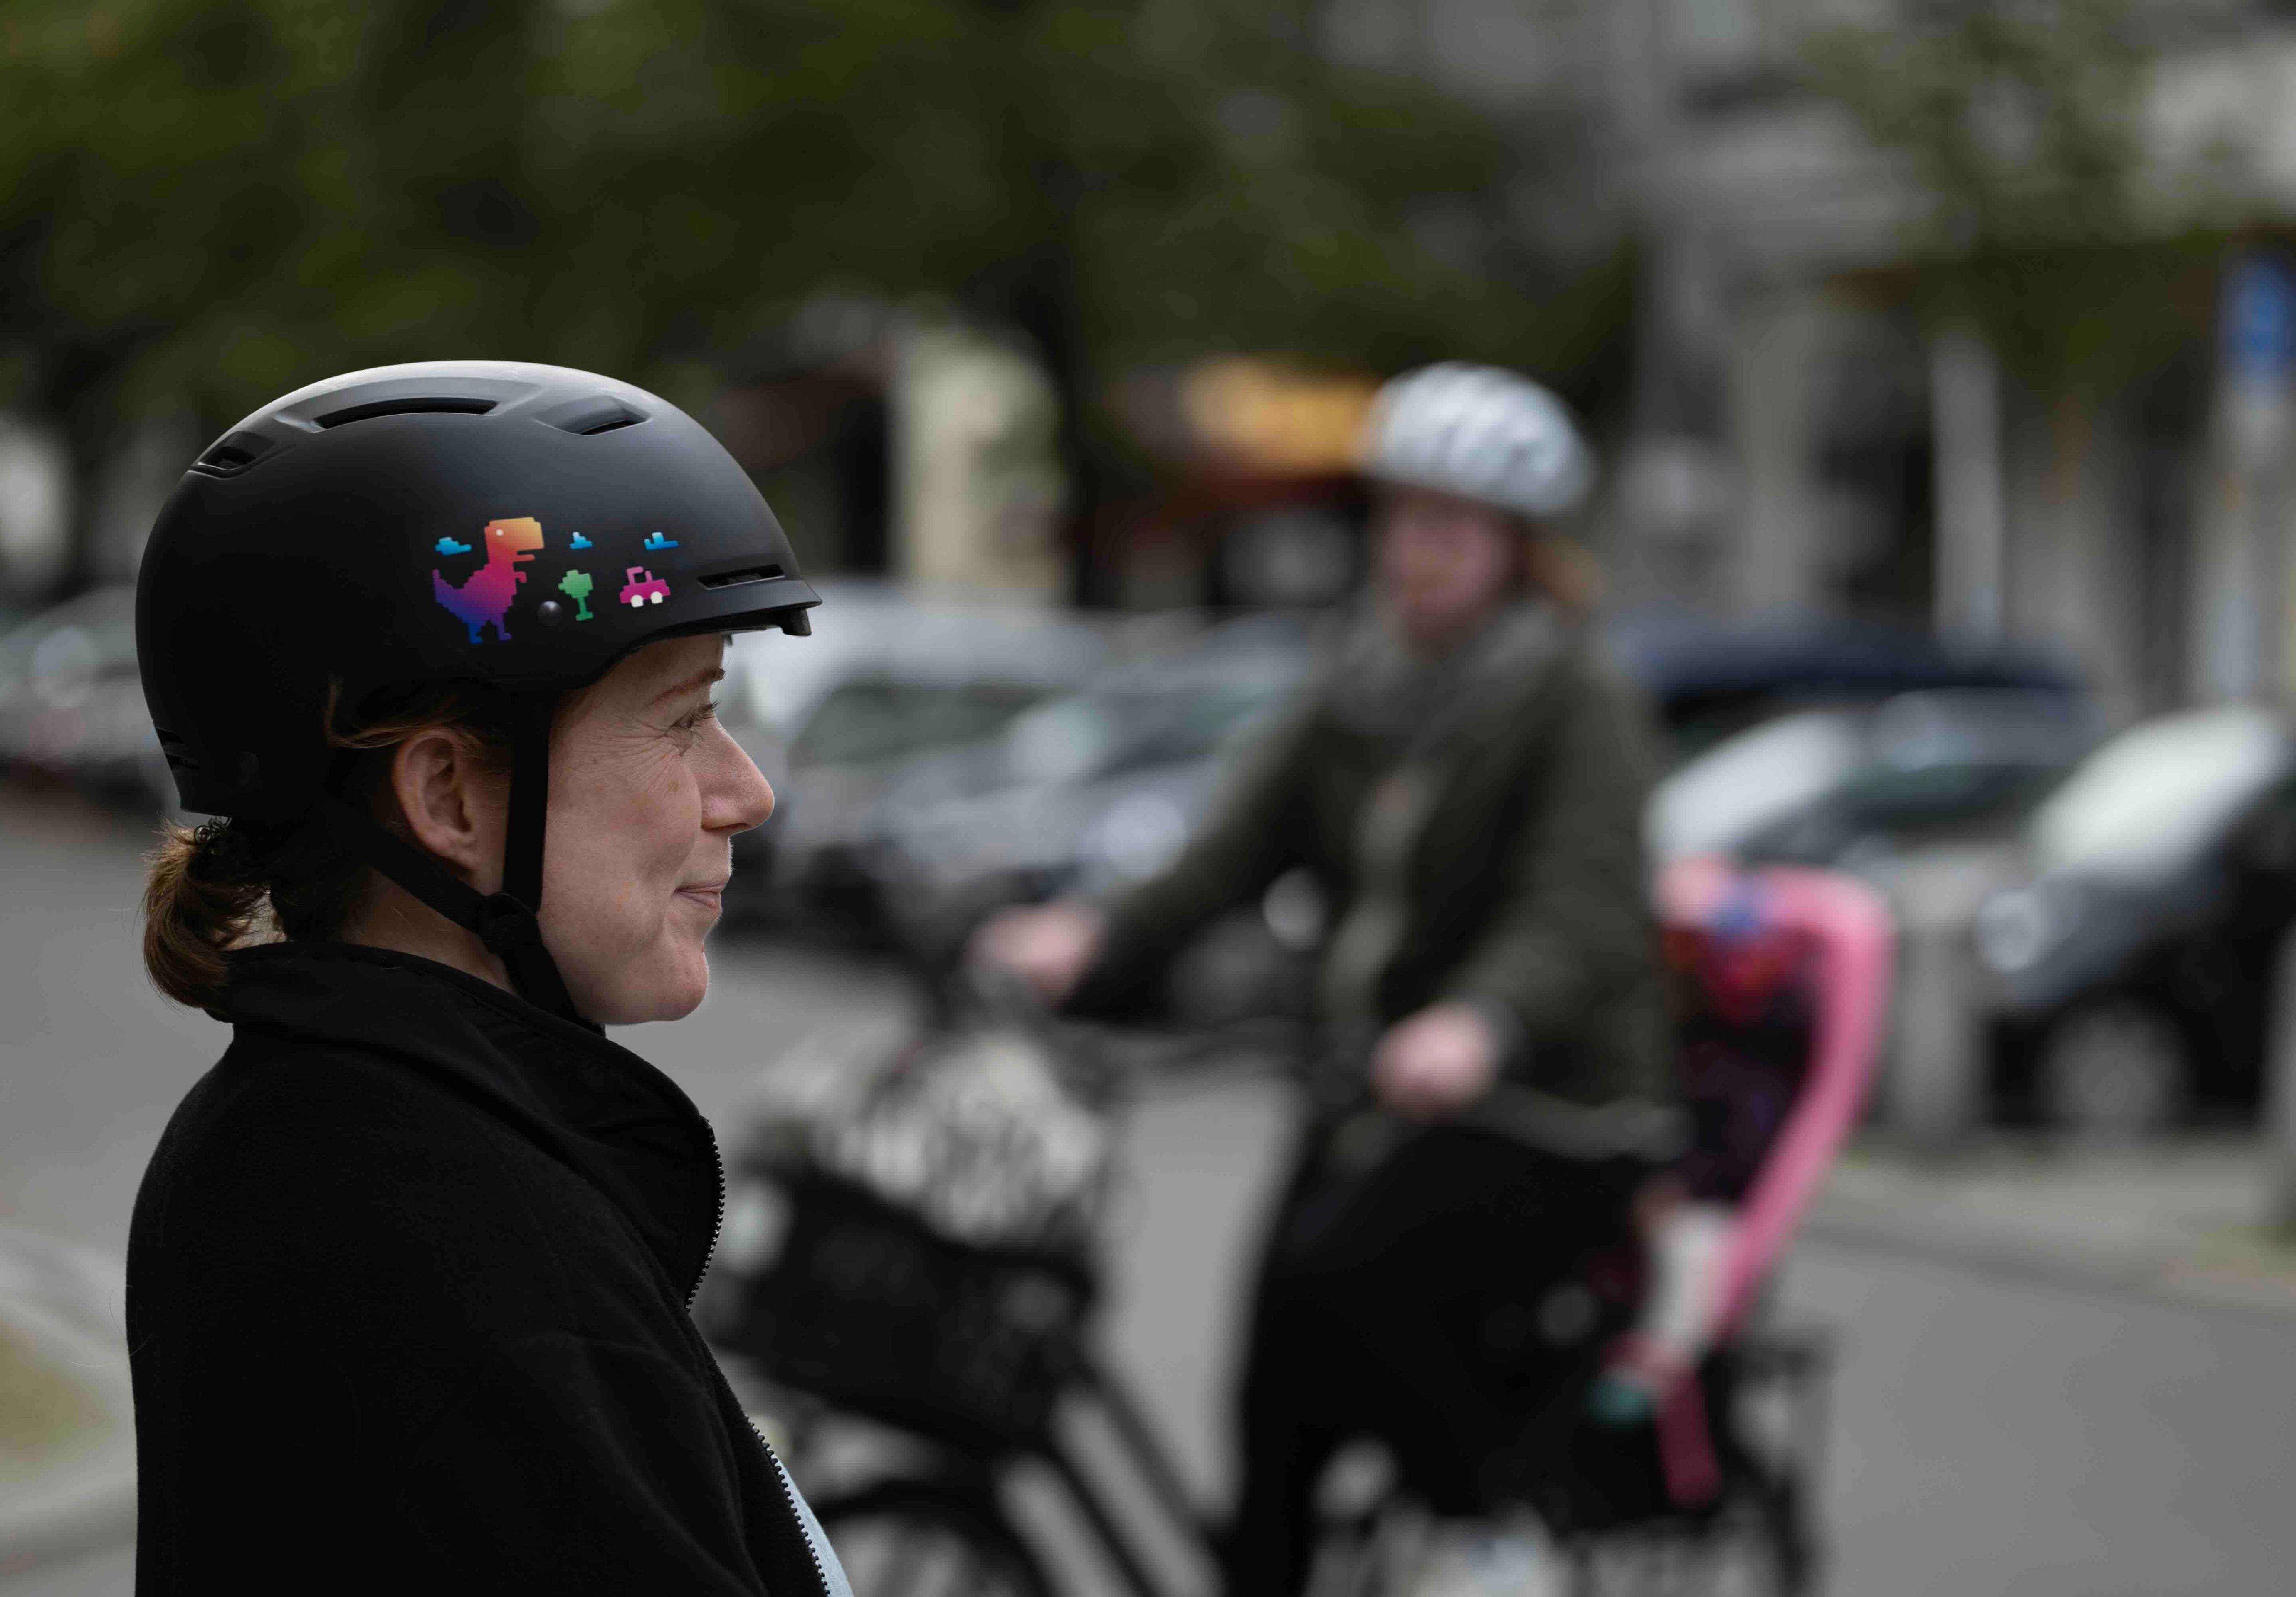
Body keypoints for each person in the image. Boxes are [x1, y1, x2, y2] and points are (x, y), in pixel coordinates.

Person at [126, 361, 852, 1595]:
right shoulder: (482, 1276)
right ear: (449, 797)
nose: (746, 792)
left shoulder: (310, 1131)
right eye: (681, 721)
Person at [978, 363, 1672, 1595]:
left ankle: (1488, 1536)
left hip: (1544, 1110)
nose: (1415, 550)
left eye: (1450, 526)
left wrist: (1482, 1021)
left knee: (1351, 1294)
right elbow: (1230, 854)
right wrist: (1094, 935)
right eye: (1401, 518)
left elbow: (1583, 910)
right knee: (1274, 1383)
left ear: (1516, 547)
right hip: (1368, 1094)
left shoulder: (1575, 701)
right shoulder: (1356, 686)